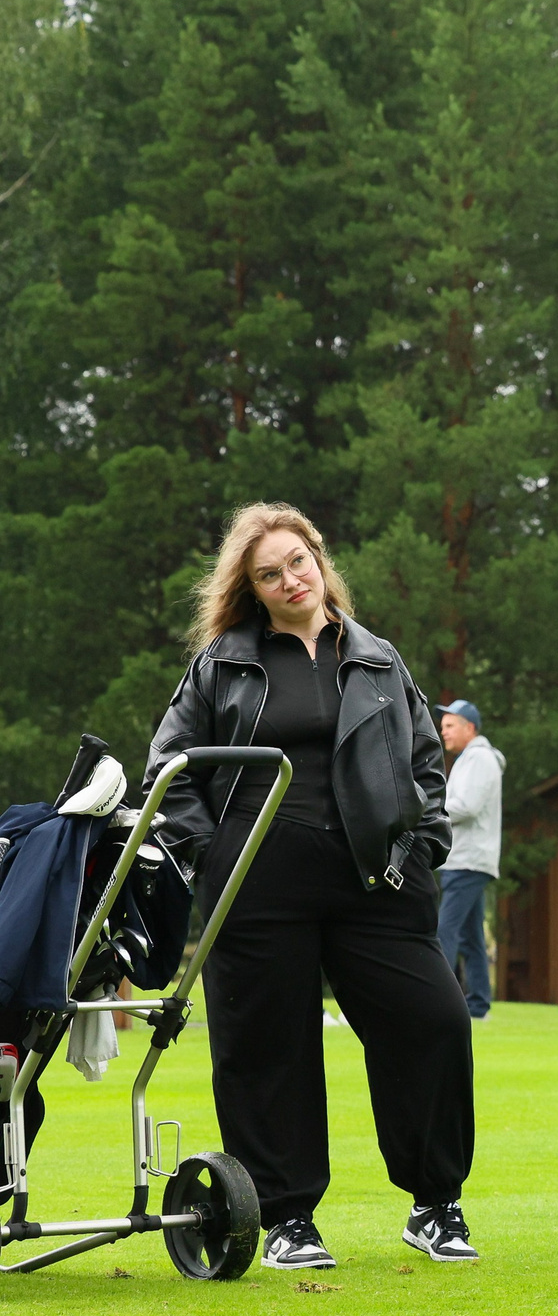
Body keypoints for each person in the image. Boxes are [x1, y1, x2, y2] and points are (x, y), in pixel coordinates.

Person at [145, 504, 480, 1269]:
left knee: (432, 1022)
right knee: (268, 1049)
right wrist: (208, 855)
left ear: (320, 561)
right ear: (252, 588)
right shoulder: (223, 663)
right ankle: (288, 1218)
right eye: (269, 573)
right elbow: (170, 767)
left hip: (379, 879)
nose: (289, 579)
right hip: (256, 886)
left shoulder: (377, 659)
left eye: (298, 562)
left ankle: (436, 1204)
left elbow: (426, 759)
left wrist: (422, 845)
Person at [436, 699, 503, 1021]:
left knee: (444, 930)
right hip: (466, 859)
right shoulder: (470, 759)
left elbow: (466, 806)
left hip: (468, 860)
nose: (443, 731)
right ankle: (478, 1006)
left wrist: (428, 807)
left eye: (449, 726)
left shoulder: (480, 759)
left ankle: (435, 1000)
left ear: (469, 728)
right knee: (471, 937)